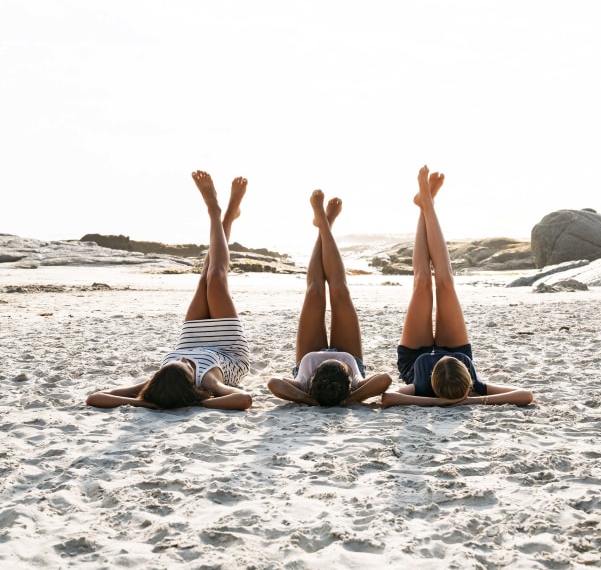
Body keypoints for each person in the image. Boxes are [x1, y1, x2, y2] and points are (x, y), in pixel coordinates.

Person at [86, 171, 253, 411]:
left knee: (206, 276)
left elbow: (95, 397)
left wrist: (142, 401)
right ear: (191, 383)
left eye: (173, 363)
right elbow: (244, 399)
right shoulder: (208, 381)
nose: (182, 360)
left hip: (190, 340)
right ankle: (217, 214)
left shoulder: (160, 382)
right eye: (186, 366)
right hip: (227, 348)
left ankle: (226, 218)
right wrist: (198, 402)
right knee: (216, 277)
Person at [381, 166, 534, 408]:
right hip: (456, 355)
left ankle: (426, 203)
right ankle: (427, 203)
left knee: (422, 281)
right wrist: (470, 401)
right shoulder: (474, 385)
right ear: (469, 383)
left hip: (414, 359)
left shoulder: (420, 387)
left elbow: (389, 398)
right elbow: (525, 394)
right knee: (446, 282)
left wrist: (437, 402)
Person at [267, 190, 392, 406]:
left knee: (314, 291)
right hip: (349, 354)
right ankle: (325, 223)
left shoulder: (306, 383)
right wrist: (353, 397)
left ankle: (324, 223)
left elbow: (273, 383)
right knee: (340, 291)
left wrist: (306, 398)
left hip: (309, 356)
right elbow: (385, 380)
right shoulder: (354, 383)